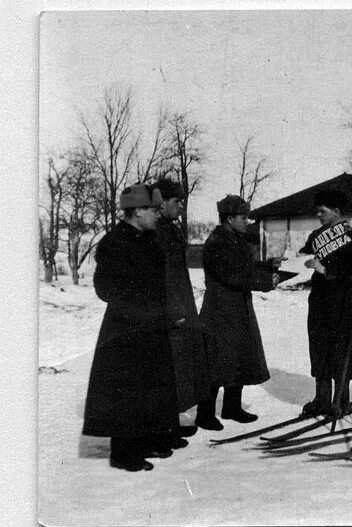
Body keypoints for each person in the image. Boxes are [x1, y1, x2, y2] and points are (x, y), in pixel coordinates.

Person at [83, 183, 178, 472]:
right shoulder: (116, 242)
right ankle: (123, 453)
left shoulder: (145, 238)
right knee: (126, 390)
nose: (156, 213)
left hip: (149, 325)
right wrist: (137, 310)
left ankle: (145, 441)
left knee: (148, 387)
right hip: (126, 329)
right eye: (151, 209)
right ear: (136, 212)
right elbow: (104, 288)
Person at [196, 195, 281, 431]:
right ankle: (204, 414)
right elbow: (234, 274)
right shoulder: (217, 243)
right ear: (229, 218)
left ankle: (232, 407)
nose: (248, 221)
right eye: (243, 217)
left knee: (238, 357)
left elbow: (244, 268)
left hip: (237, 308)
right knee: (216, 362)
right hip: (220, 311)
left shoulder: (234, 239)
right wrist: (266, 281)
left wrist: (268, 267)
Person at [299, 190, 352, 418]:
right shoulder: (315, 236)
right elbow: (303, 259)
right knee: (319, 350)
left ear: (337, 212)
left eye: (323, 211)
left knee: (342, 351)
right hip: (318, 301)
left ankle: (340, 401)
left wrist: (325, 270)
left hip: (342, 301)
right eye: (317, 211)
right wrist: (296, 262)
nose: (318, 215)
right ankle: (322, 398)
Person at [154, 177, 208, 442]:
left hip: (181, 305)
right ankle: (163, 429)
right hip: (169, 310)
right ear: (161, 202)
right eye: (176, 201)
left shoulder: (169, 229)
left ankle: (171, 423)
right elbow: (161, 278)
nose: (180, 207)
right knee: (168, 369)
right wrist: (171, 311)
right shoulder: (157, 232)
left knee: (179, 369)